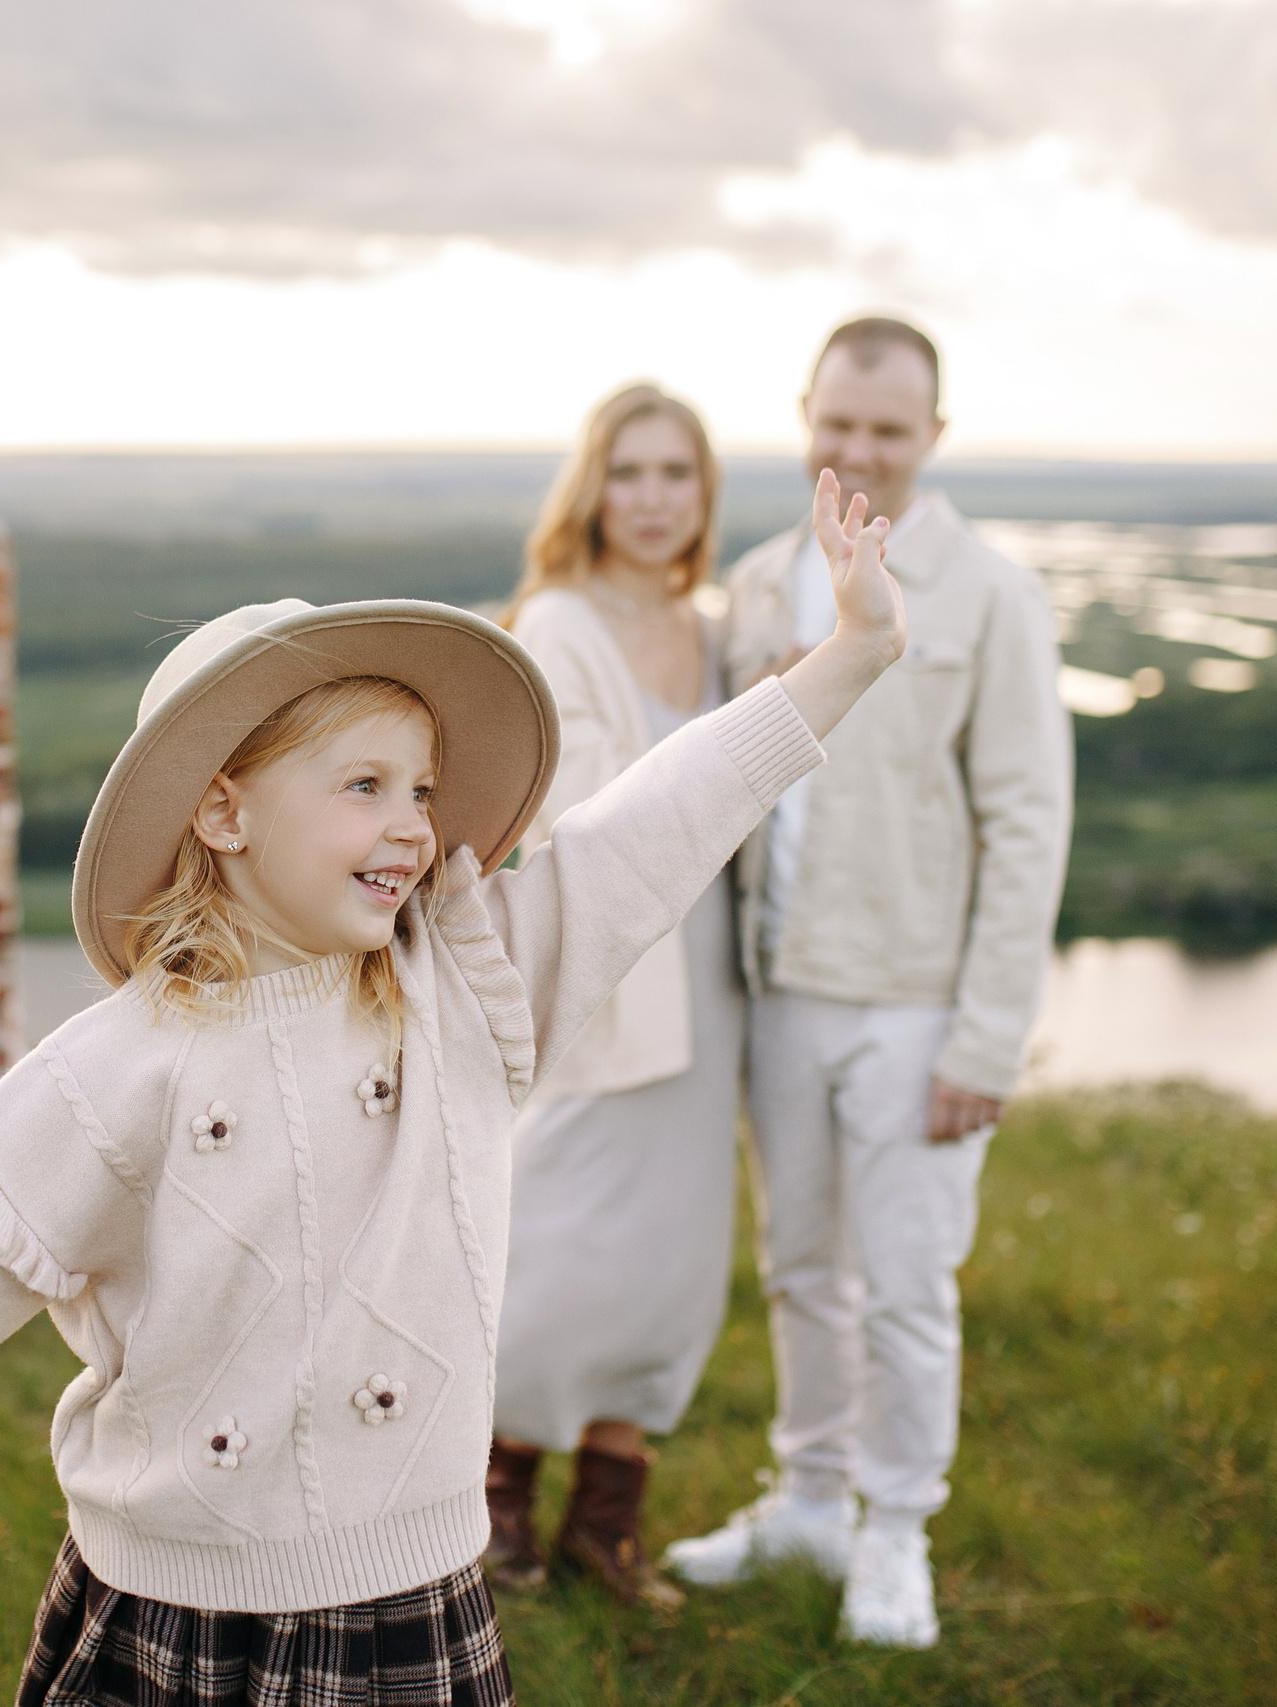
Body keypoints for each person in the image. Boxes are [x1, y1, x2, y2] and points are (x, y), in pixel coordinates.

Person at [0, 474, 908, 1704]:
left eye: (420, 787)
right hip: (171, 1602)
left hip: (408, 1588)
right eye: (362, 785)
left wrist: (844, 656)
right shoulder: (128, 1057)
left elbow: (661, 816)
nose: (413, 821)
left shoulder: (467, 979)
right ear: (225, 812)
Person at [663, 317, 1073, 1651]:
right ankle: (811, 1497)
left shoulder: (993, 592)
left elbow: (1027, 823)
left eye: (890, 430)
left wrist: (987, 1039)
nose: (860, 450)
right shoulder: (759, 583)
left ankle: (898, 1527)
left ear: (933, 437)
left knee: (902, 1279)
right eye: (839, 422)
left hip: (916, 1005)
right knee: (796, 1267)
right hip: (780, 991)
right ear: (807, 414)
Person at [480, 383, 739, 1608]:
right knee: (557, 1253)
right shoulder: (556, 623)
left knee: (673, 1263)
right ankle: (491, 1509)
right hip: (606, 973)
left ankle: (606, 1523)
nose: (650, 499)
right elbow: (570, 817)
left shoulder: (717, 627)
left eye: (673, 475)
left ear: (703, 494)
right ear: (592, 488)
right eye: (627, 473)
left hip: (714, 980)